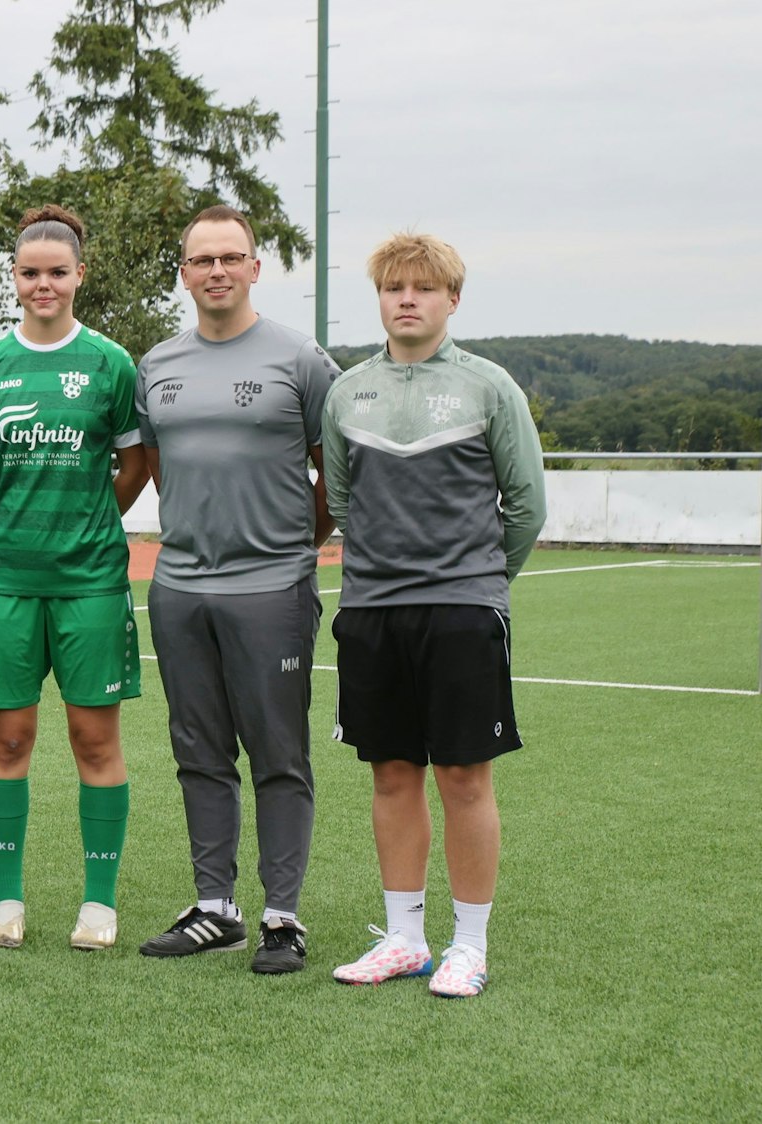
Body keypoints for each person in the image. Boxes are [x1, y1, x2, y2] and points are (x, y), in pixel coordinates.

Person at [323, 233, 544, 999]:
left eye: (423, 288)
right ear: (380, 298)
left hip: (461, 611)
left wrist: (478, 581)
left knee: (462, 777)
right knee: (391, 773)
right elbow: (346, 501)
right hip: (373, 612)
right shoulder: (348, 392)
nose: (407, 299)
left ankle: (469, 946)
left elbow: (526, 507)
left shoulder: (489, 387)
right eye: (394, 288)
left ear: (453, 298)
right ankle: (405, 940)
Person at [134, 204, 340, 974]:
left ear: (256, 267)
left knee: (277, 752)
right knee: (197, 749)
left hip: (273, 587)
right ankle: (213, 908)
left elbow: (335, 471)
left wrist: (293, 545)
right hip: (180, 586)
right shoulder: (156, 365)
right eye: (201, 259)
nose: (216, 270)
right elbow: (164, 469)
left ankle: (281, 916)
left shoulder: (302, 358)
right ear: (184, 274)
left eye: (231, 257)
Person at [0, 206, 150, 951]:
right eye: (30, 272)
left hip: (92, 580)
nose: (44, 284)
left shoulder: (111, 364)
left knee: (94, 740)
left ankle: (98, 905)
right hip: (4, 577)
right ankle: (7, 903)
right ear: (14, 277)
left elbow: (133, 468)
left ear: (79, 276)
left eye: (57, 272)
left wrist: (87, 519)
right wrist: (26, 519)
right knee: (7, 741)